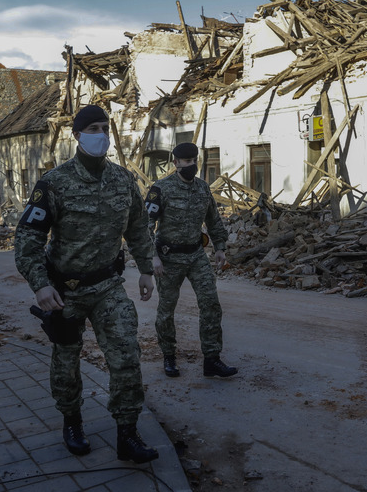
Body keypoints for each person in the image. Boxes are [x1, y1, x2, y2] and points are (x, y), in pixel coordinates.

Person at [14, 104, 160, 464]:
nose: (101, 135)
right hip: (65, 292)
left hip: (108, 287)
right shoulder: (55, 182)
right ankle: (72, 422)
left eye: (104, 128)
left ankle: (127, 433)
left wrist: (146, 269)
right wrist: (40, 284)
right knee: (66, 359)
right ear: (77, 135)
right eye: (93, 128)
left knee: (126, 355)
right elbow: (28, 239)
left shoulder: (124, 180)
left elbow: (139, 228)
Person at [145, 142, 237, 379]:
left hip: (196, 255)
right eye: (186, 161)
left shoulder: (203, 189)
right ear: (175, 163)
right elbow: (146, 225)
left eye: (194, 160)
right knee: (166, 310)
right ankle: (168, 357)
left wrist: (220, 248)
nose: (191, 165)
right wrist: (153, 256)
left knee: (210, 304)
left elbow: (214, 220)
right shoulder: (160, 189)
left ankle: (212, 359)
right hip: (169, 258)